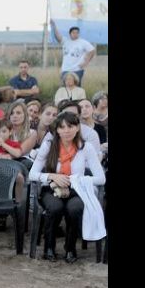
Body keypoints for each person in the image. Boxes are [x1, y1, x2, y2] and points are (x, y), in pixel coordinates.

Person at [29, 111, 105, 262]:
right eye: (62, 127)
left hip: (77, 189)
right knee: (55, 208)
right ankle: (49, 248)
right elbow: (32, 174)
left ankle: (70, 249)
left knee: (74, 208)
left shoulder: (86, 148)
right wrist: (52, 176)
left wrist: (76, 179)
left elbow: (101, 178)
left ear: (77, 128)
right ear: (57, 130)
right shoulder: (49, 146)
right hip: (51, 188)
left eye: (70, 126)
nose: (66, 131)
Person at [51, 20, 96, 86]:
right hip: (65, 69)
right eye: (73, 33)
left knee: (76, 88)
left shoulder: (83, 42)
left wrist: (86, 62)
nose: (75, 34)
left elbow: (92, 50)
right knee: (65, 88)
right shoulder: (65, 41)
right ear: (70, 34)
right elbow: (57, 36)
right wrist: (54, 26)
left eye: (77, 33)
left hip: (77, 70)